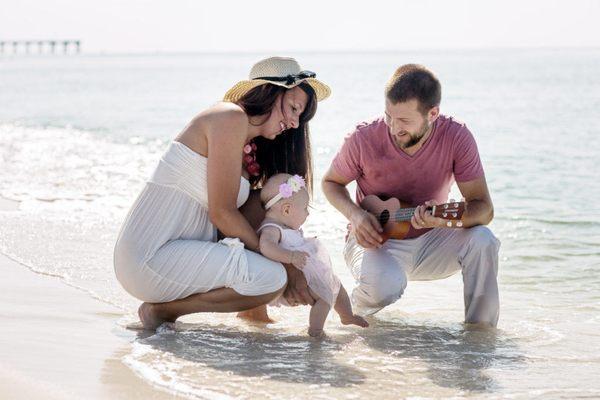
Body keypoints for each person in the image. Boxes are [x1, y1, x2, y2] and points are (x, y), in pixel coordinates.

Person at [113, 56, 330, 330]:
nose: (296, 124)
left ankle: (253, 312)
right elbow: (222, 213)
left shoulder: (248, 148)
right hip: (147, 257)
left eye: (301, 115)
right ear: (269, 92)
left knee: (269, 203)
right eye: (294, 108)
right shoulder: (229, 117)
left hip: (176, 255)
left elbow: (257, 218)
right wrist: (285, 264)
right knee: (271, 277)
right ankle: (163, 312)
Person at [322, 64, 501, 327]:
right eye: (389, 116)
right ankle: (354, 319)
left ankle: (479, 336)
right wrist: (356, 215)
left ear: (433, 113)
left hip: (432, 240)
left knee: (483, 240)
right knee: (384, 288)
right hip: (375, 240)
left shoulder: (457, 137)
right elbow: (330, 183)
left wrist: (441, 222)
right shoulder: (363, 137)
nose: (394, 128)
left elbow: (484, 209)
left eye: (404, 121)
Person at [257, 173, 368, 337]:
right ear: (286, 209)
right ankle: (316, 331)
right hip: (294, 280)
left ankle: (347, 316)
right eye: (305, 208)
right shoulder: (272, 228)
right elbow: (266, 246)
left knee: (336, 285)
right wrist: (291, 256)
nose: (307, 214)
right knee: (323, 299)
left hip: (308, 273)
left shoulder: (286, 227)